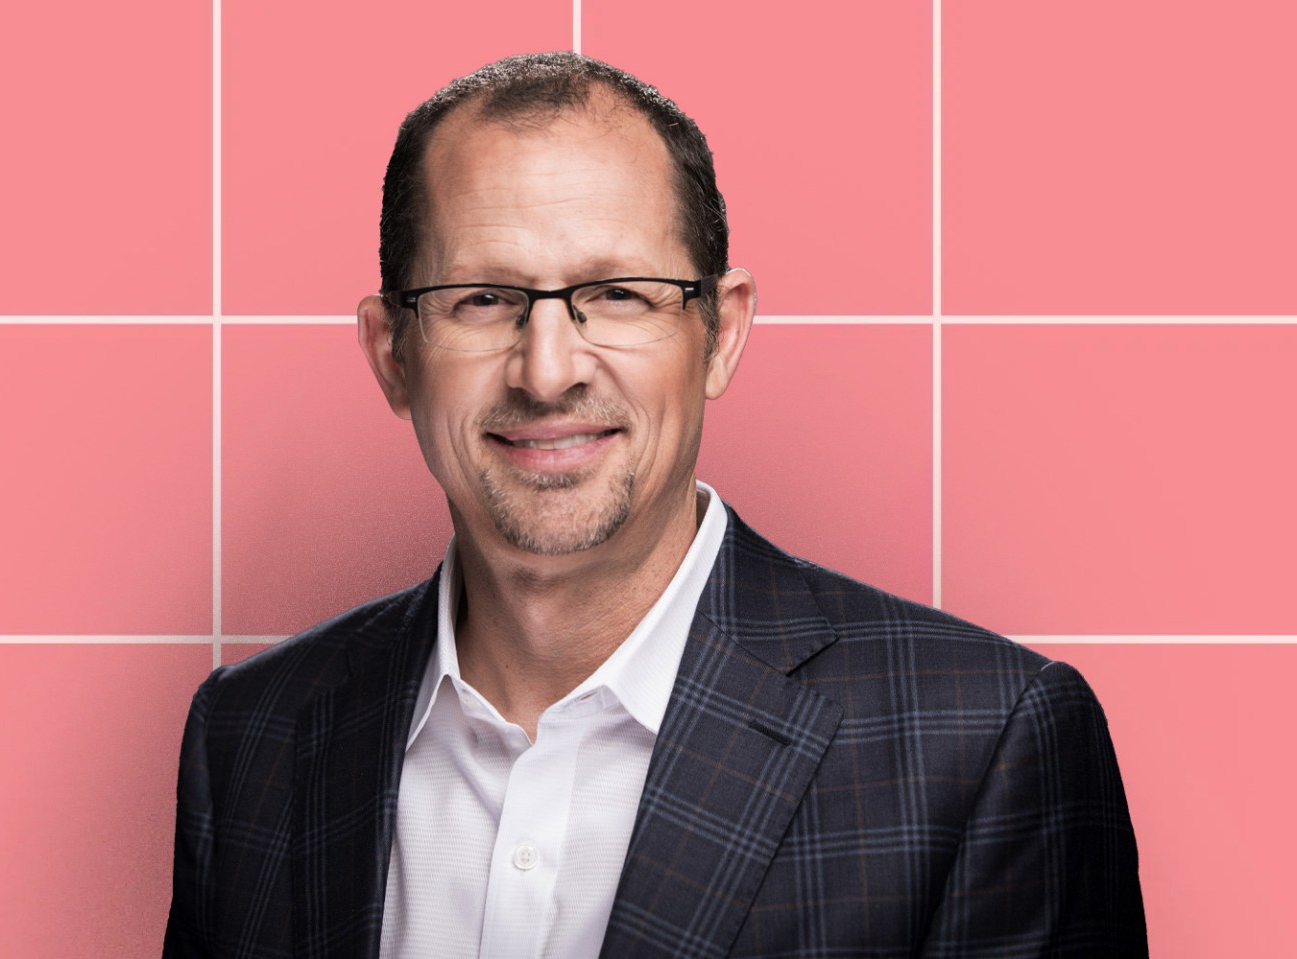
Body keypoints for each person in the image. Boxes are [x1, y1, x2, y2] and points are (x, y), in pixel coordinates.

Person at [164, 52, 1145, 957]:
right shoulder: (250, 739)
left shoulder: (983, 746)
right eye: (484, 298)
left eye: (619, 293)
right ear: (393, 354)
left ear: (721, 333)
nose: (548, 370)